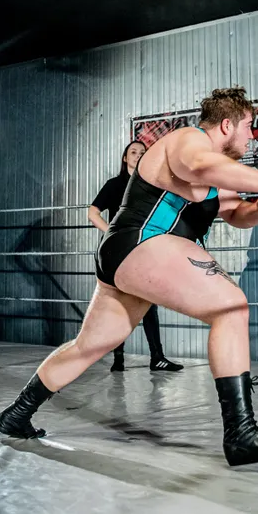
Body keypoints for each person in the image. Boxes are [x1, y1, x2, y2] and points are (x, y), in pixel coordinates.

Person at [0, 87, 258, 466]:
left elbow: (236, 215)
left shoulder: (222, 175)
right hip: (139, 242)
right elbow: (199, 167)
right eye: (249, 127)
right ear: (227, 124)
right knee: (231, 307)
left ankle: (15, 415)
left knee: (91, 345)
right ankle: (241, 433)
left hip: (129, 258)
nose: (253, 136)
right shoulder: (188, 140)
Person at [89, 140, 183, 372]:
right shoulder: (114, 184)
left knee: (147, 303)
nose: (138, 155)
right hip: (118, 252)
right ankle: (118, 358)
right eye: (133, 152)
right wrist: (111, 232)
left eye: (142, 153)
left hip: (143, 251)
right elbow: (92, 213)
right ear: (125, 158)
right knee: (119, 305)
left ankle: (157, 357)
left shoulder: (152, 186)